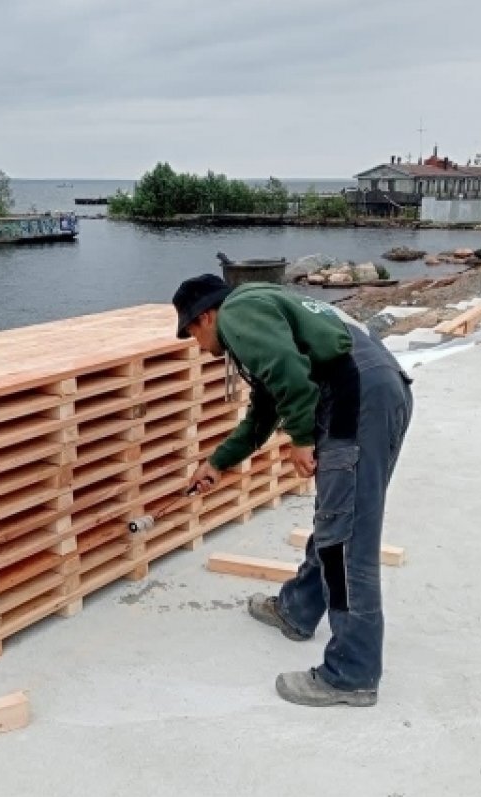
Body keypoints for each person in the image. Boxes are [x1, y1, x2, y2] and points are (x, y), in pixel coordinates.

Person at [172, 274, 413, 707]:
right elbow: (264, 409)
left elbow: (290, 377)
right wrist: (218, 463)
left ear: (207, 316)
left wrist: (300, 438)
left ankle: (351, 674)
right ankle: (298, 610)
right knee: (335, 519)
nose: (196, 344)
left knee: (346, 543)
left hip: (357, 402)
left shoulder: (239, 314)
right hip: (370, 391)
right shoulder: (261, 310)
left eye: (191, 331)